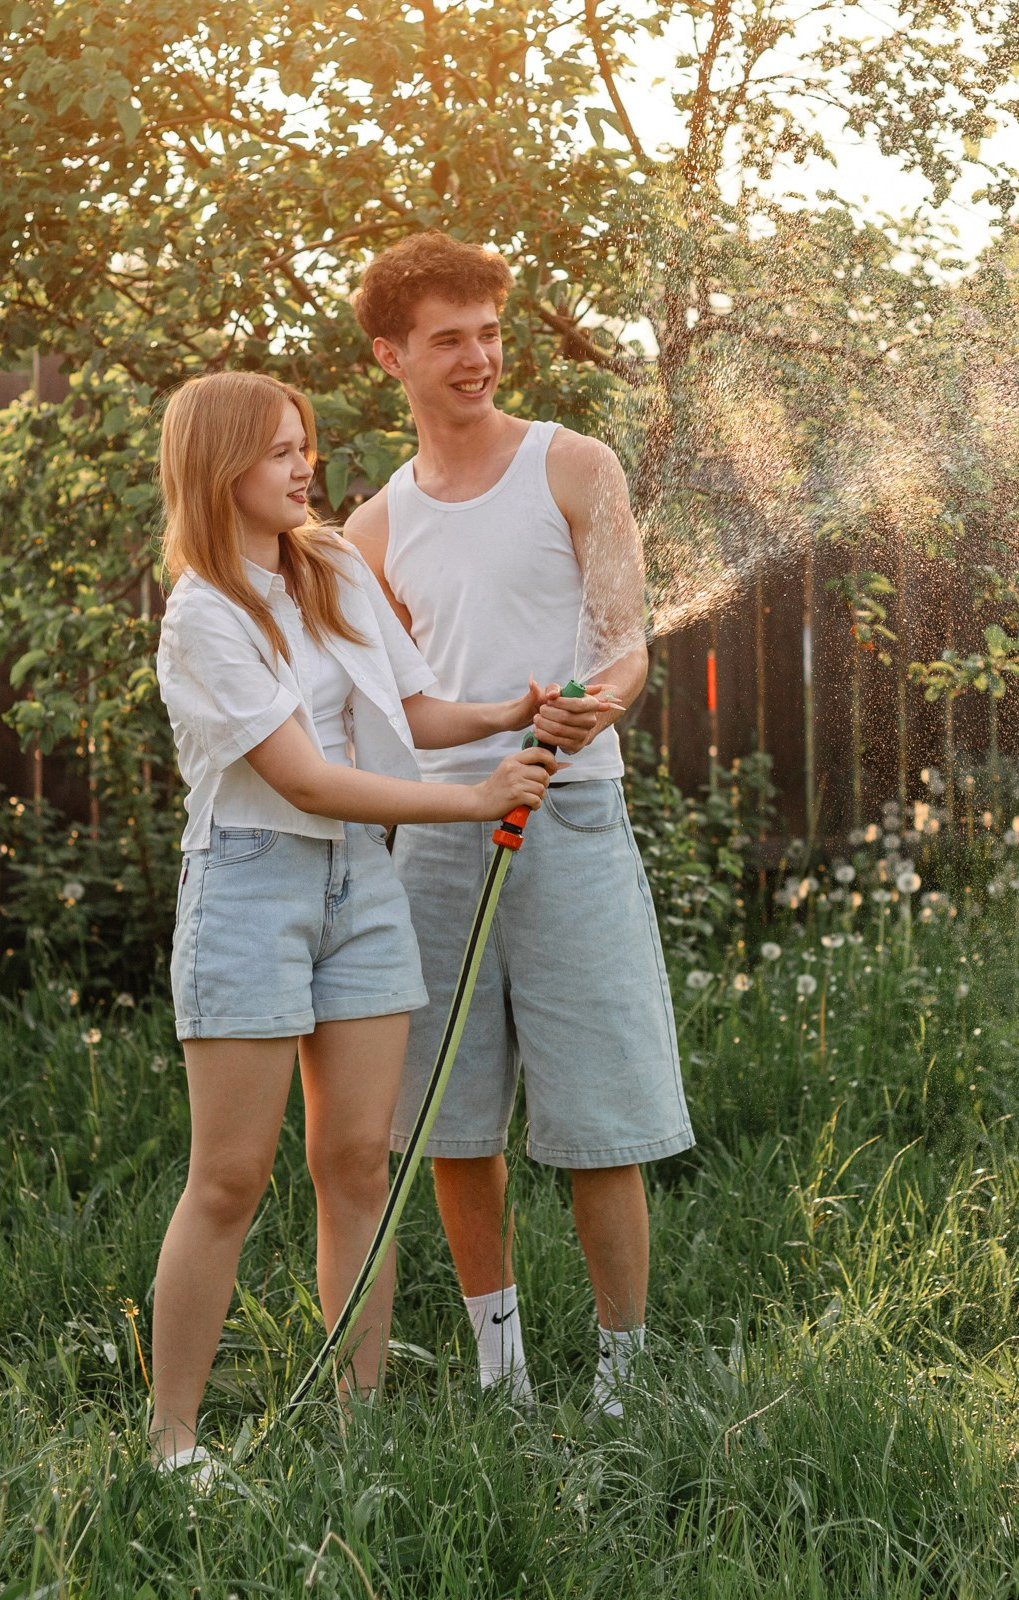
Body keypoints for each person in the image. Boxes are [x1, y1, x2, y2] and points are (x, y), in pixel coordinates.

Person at [147, 371, 560, 1477]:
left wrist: (511, 711)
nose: (304, 468)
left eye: (305, 447)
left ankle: (354, 1428)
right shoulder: (202, 614)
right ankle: (172, 1444)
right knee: (228, 1178)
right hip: (249, 885)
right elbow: (309, 780)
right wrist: (474, 797)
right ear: (217, 465)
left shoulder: (327, 562)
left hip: (359, 892)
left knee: (357, 1167)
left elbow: (414, 709)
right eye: (280, 451)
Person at [342, 233, 689, 1418]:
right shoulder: (372, 528)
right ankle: (504, 1370)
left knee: (600, 1116)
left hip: (574, 818)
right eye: (450, 338)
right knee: (452, 1114)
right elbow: (392, 711)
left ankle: (623, 1378)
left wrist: (604, 705)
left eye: (490, 332)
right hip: (442, 835)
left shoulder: (575, 468)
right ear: (392, 354)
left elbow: (626, 639)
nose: (480, 357)